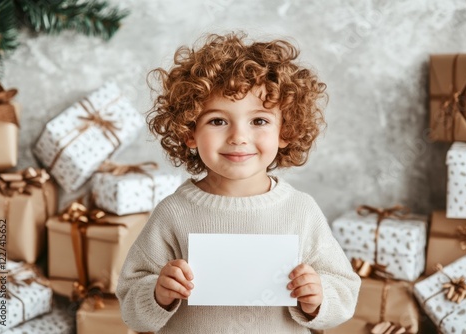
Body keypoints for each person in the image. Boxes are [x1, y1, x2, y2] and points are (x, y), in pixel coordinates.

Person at [116, 32, 360, 333]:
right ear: (189, 131)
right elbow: (130, 305)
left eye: (259, 121)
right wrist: (158, 294)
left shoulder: (301, 211)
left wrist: (318, 297)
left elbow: (345, 293)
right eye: (218, 121)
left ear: (286, 131)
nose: (238, 137)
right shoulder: (173, 213)